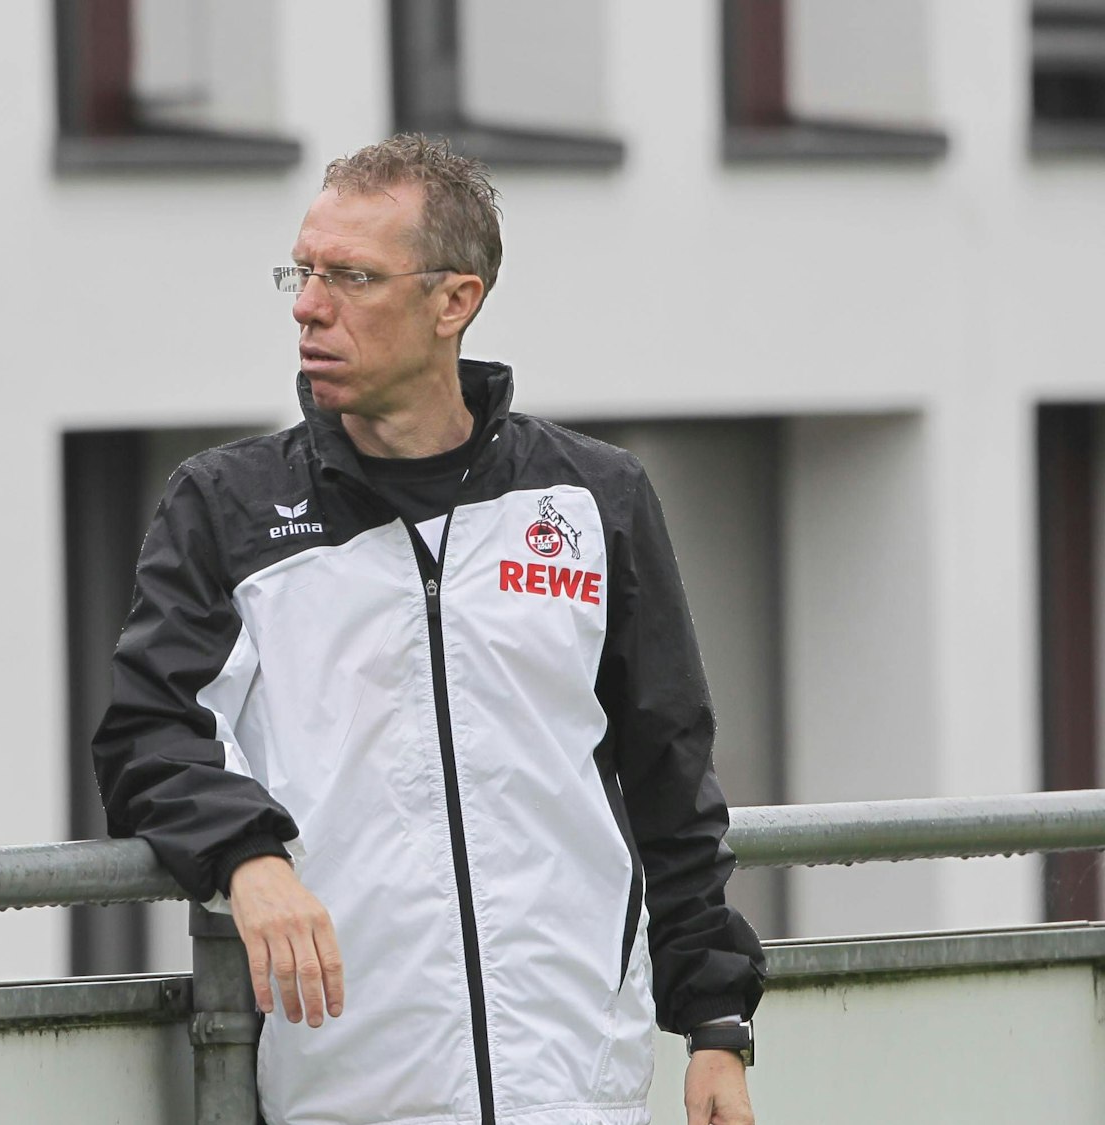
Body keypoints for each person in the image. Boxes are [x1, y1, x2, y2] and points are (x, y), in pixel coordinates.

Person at [92, 135, 766, 1125]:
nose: (308, 305)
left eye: (352, 277)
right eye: (302, 271)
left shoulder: (593, 498)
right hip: (346, 1091)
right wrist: (248, 857)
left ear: (454, 301)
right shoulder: (227, 509)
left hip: (575, 1088)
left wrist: (714, 1028)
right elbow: (148, 732)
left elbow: (671, 777)